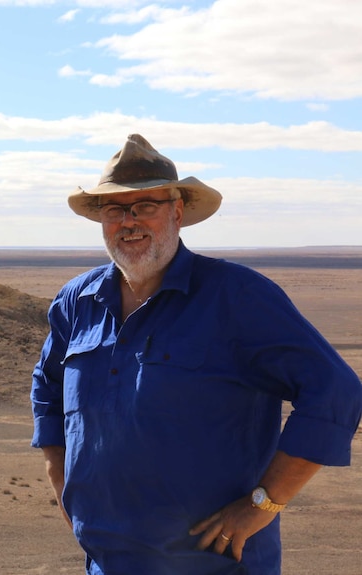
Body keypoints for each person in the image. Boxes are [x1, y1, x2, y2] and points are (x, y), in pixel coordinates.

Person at [30, 134, 362, 575]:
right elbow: (48, 388)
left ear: (178, 212)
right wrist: (60, 475)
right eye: (115, 210)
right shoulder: (77, 301)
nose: (130, 222)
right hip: (107, 562)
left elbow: (335, 392)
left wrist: (264, 504)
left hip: (215, 564)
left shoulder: (236, 297)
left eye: (146, 205)